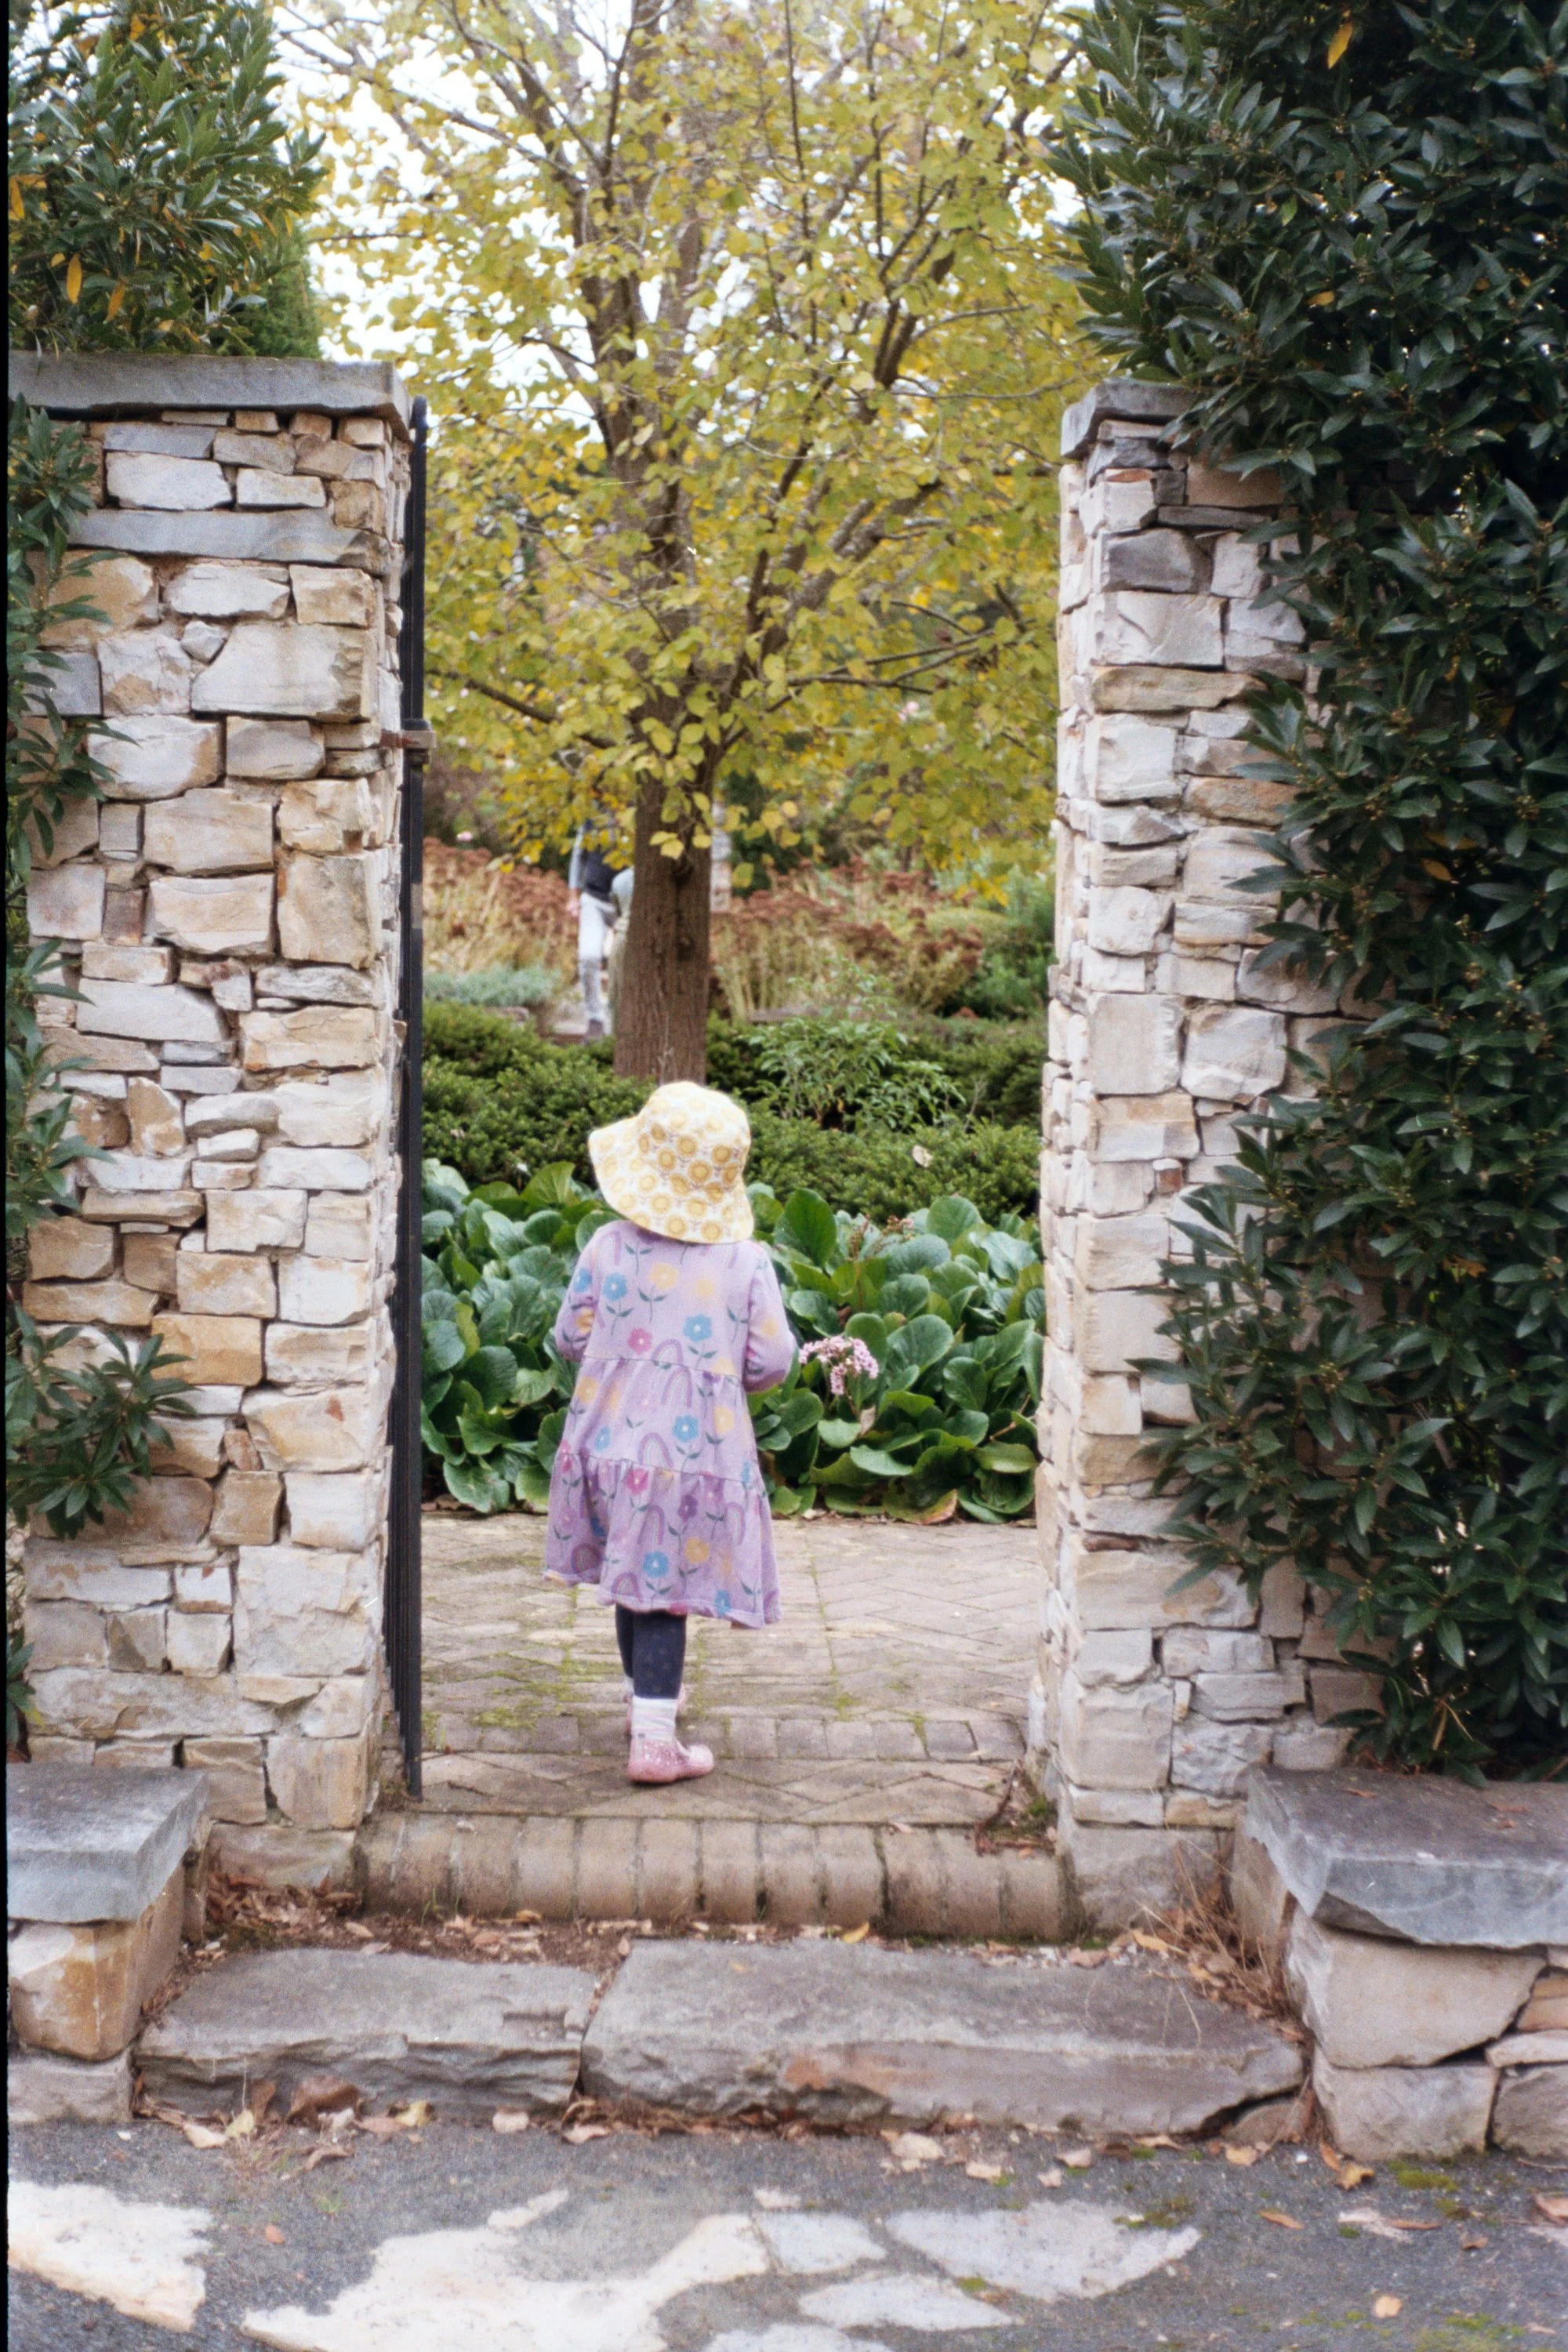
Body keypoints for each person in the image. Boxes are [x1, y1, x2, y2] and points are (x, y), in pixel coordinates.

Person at [546, 1083, 796, 1784]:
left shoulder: (605, 1246)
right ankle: (654, 1741)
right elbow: (772, 1358)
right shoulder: (745, 1262)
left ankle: (645, 1698)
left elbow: (570, 1336)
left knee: (635, 1571)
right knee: (663, 1582)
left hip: (607, 1441)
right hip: (692, 1456)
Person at [566, 825, 626, 1040]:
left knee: (626, 964)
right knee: (588, 957)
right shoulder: (591, 817)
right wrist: (573, 896)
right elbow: (578, 856)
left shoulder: (638, 812)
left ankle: (623, 1019)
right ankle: (595, 1019)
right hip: (594, 899)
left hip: (629, 902)